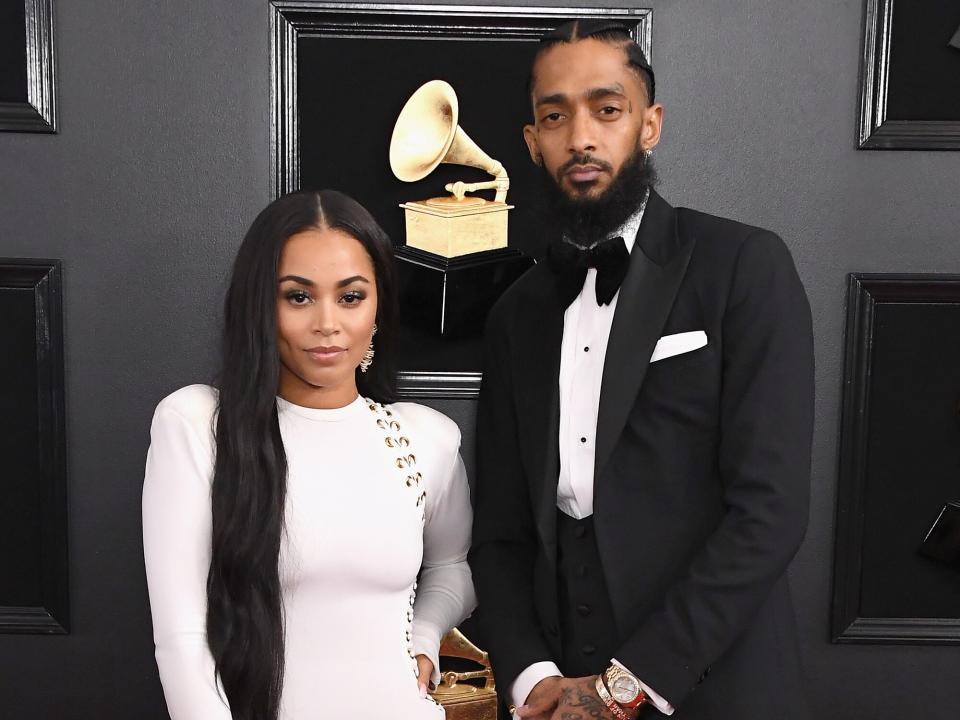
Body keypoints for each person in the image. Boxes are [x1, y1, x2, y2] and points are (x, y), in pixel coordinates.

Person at [470, 20, 814, 720]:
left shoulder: (743, 266)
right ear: (533, 142)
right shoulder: (514, 314)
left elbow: (770, 512)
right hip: (558, 694)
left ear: (649, 124)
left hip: (721, 688)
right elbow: (500, 533)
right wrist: (532, 673)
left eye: (608, 108)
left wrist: (628, 685)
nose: (582, 137)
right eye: (555, 116)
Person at [142, 190, 476, 720]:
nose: (327, 323)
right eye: (298, 296)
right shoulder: (198, 425)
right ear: (261, 305)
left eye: (350, 297)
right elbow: (182, 640)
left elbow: (451, 566)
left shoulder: (424, 438)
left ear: (378, 308)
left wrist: (426, 637)